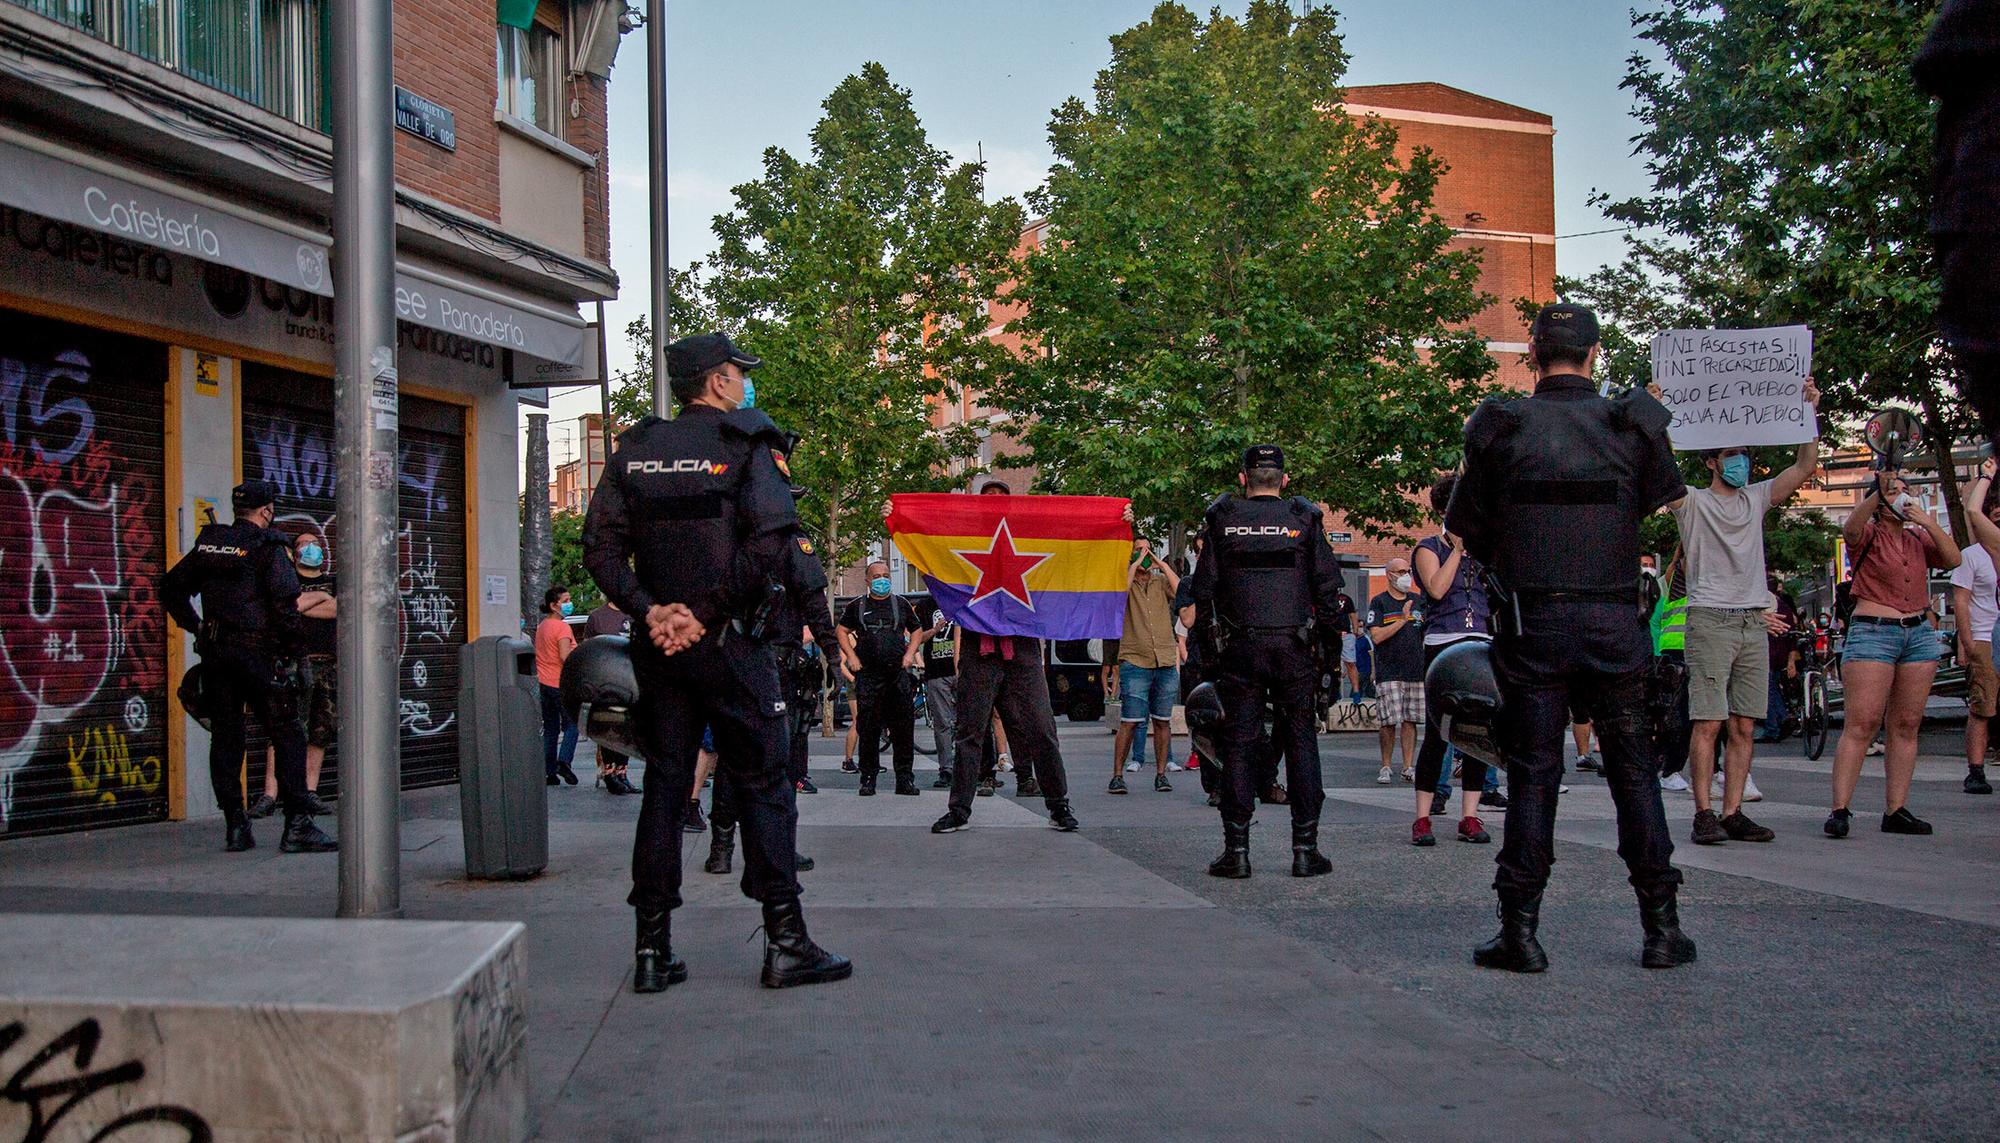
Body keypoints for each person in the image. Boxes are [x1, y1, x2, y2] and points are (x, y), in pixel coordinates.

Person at [583, 330, 848, 993]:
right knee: (763, 780)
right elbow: (773, 543)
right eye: (738, 372)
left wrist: (652, 610)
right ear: (720, 381)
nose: (742, 383)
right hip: (731, 643)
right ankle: (785, 941)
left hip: (661, 650)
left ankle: (651, 949)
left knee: (666, 788)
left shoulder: (636, 451)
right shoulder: (746, 444)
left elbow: (601, 551)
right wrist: (705, 612)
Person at [1447, 301, 1692, 972]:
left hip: (1534, 627)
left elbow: (1468, 525)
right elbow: (1651, 505)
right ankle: (1662, 928)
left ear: (1532, 354)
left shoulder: (1501, 426)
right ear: (1596, 351)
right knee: (1635, 775)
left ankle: (1519, 932)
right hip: (1615, 624)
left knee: (1533, 775)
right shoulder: (1631, 423)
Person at [1651, 380, 1821, 846]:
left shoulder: (1757, 498)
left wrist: (1809, 411)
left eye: (1743, 454)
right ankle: (1704, 811)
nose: (1739, 462)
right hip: (1710, 619)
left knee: (1744, 722)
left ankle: (1733, 811)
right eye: (1730, 454)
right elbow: (1660, 468)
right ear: (1710, 461)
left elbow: (1805, 466)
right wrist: (1657, 412)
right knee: (1707, 720)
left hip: (1751, 620)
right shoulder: (1692, 502)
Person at [1189, 444, 1344, 879]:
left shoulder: (1223, 520)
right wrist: (1330, 654)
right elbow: (1328, 593)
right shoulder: (1303, 520)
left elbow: (1203, 594)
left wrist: (1209, 658)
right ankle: (1305, 848)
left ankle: (1237, 851)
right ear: (1284, 479)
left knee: (1239, 745)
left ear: (1243, 478)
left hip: (1241, 648)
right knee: (1301, 742)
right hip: (1294, 647)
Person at [161, 479, 337, 854]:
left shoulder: (211, 545)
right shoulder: (269, 547)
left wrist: (197, 626)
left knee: (226, 738)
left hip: (218, 658)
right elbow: (285, 608)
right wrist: (293, 654)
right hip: (260, 657)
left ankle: (236, 826)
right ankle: (297, 825)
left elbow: (171, 589)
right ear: (267, 511)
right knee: (288, 734)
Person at [925, 486, 1090, 835]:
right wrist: (895, 518)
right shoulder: (963, 543)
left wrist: (1116, 523)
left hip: (1023, 648)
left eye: (1002, 497)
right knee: (969, 732)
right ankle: (959, 810)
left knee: (1042, 728)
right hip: (978, 649)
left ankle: (1058, 804)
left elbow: (1071, 542)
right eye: (988, 498)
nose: (995, 503)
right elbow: (928, 547)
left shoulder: (1030, 541)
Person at [1824, 467, 1961, 838]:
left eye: (1905, 491)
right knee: (1863, 722)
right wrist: (1877, 495)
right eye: (1894, 492)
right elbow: (1850, 529)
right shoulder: (1869, 534)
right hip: (1874, 631)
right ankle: (1840, 808)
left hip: (1916, 632)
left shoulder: (1918, 539)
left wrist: (1927, 522)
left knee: (1906, 723)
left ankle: (1896, 808)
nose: (1901, 496)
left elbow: (1953, 559)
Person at [1409, 474, 1493, 846]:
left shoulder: (1486, 549)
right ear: (1445, 511)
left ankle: (1470, 816)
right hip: (1443, 642)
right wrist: (1457, 550)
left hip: (1482, 641)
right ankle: (1422, 817)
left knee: (1479, 732)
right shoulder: (1429, 547)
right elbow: (1437, 589)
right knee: (1438, 733)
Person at [250, 530, 336, 820]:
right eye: (304, 544)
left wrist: (309, 602)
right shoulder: (285, 580)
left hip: (326, 666)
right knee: (284, 728)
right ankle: (270, 794)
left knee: (320, 730)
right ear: (294, 551)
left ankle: (309, 791)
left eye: (315, 544)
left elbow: (338, 609)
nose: (311, 548)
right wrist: (316, 600)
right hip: (291, 664)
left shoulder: (333, 584)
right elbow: (287, 608)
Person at [838, 561, 924, 797]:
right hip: (868, 677)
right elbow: (841, 631)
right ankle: (868, 779)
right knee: (868, 730)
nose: (882, 579)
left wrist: (910, 654)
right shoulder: (857, 606)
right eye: (876, 576)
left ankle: (904, 779)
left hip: (897, 676)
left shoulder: (901, 604)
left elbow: (916, 631)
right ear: (867, 580)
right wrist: (851, 656)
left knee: (904, 731)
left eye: (886, 575)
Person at [1108, 539, 1181, 794]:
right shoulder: (1124, 580)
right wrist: (1135, 564)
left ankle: (1161, 774)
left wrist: (1161, 564)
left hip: (1164, 659)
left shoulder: (1159, 582)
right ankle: (1117, 775)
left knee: (1162, 721)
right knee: (1130, 721)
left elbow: (1181, 590)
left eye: (1147, 549)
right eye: (1138, 549)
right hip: (1136, 659)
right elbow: (1121, 592)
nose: (1144, 554)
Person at [1949, 480, 1999, 795]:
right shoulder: (1971, 556)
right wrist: (1965, 643)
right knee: (1983, 705)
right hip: (1983, 637)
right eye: (1993, 512)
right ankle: (1976, 770)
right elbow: (1961, 601)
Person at [1368, 557, 1426, 786]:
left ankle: (1408, 766)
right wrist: (1401, 620)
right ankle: (1386, 765)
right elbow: (1377, 636)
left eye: (1408, 571)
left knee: (1410, 721)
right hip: (1389, 671)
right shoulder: (1379, 602)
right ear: (1389, 575)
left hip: (1415, 671)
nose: (1406, 576)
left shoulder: (1418, 601)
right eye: (1401, 571)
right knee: (1389, 721)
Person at [581, 599, 639, 795]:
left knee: (627, 728)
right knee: (608, 727)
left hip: (629, 678)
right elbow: (588, 647)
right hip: (605, 680)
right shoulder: (597, 617)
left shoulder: (632, 614)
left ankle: (622, 773)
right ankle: (609, 773)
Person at [535, 586, 581, 787]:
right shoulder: (562, 628)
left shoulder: (542, 626)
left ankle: (549, 772)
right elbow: (564, 656)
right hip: (560, 683)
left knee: (551, 728)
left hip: (543, 683)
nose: (569, 603)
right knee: (573, 725)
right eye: (566, 600)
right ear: (554, 605)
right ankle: (564, 761)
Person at [918, 601, 961, 789]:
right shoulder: (923, 607)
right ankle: (946, 769)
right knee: (942, 723)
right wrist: (935, 630)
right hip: (936, 673)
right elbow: (917, 638)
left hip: (962, 671)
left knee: (967, 722)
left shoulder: (959, 599)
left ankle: (968, 769)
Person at [1757, 575, 1800, 747]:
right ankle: (1781, 720)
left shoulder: (1764, 606)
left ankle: (1775, 725)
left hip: (1766, 652)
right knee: (1773, 689)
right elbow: (1792, 633)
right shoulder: (1785, 607)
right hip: (1779, 654)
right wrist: (1791, 660)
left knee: (1768, 692)